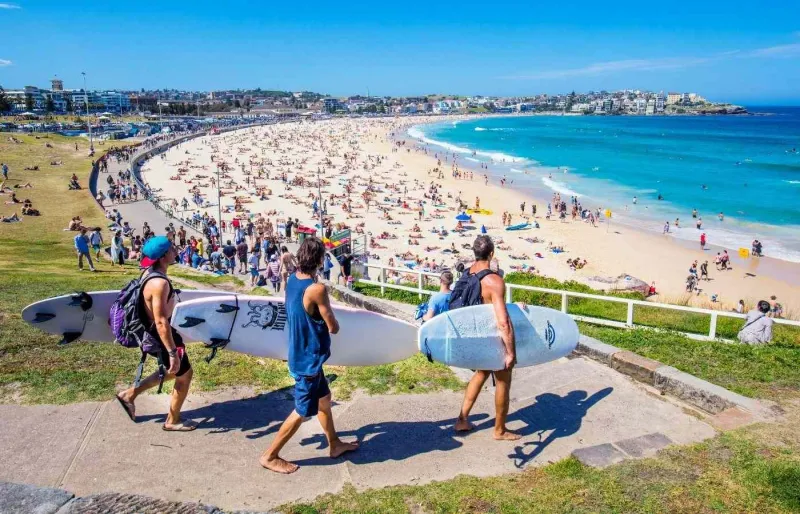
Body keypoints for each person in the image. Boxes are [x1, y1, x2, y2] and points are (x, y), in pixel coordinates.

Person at [260, 237, 358, 474]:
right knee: (302, 411)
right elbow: (332, 326)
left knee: (324, 400)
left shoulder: (292, 279)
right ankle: (270, 455)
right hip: (308, 360)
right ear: (320, 259)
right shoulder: (317, 289)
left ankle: (334, 444)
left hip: (300, 352)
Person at [115, 237, 197, 431]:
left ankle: (129, 395)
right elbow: (160, 321)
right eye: (172, 249)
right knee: (184, 375)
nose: (175, 251)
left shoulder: (149, 273)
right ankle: (172, 420)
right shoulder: (159, 283)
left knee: (173, 371)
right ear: (162, 257)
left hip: (157, 334)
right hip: (162, 337)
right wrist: (171, 352)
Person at [452, 235, 519, 440]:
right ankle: (499, 430)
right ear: (491, 254)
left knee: (481, 373)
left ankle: (462, 419)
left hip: (475, 335)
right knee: (503, 381)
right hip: (492, 338)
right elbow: (503, 322)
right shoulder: (494, 281)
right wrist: (510, 352)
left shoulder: (466, 274)